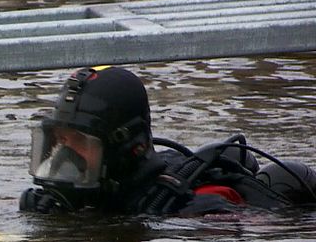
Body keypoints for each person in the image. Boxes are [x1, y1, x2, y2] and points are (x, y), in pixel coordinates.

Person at [19, 66, 316, 216]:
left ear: (126, 148)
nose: (62, 157)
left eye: (79, 142)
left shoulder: (195, 210)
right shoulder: (84, 196)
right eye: (59, 141)